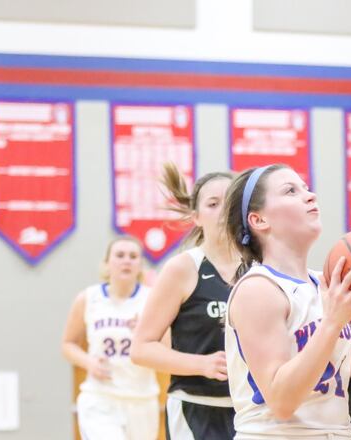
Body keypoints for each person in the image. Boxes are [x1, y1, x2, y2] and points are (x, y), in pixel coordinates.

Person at [222, 164, 351, 439]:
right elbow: (282, 402)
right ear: (259, 220)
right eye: (290, 191)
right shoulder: (258, 289)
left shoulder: (329, 284)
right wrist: (331, 324)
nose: (310, 195)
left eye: (305, 188)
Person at [131, 164, 238, 439]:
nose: (223, 210)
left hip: (252, 412)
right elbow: (141, 349)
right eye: (213, 204)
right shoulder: (182, 269)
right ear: (197, 217)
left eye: (230, 202)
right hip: (197, 409)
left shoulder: (260, 267)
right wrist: (201, 364)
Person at [61, 236, 159, 440]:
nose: (126, 260)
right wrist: (88, 362)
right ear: (107, 263)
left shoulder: (151, 299)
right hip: (100, 397)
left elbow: (168, 348)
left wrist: (145, 332)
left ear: (140, 265)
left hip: (141, 398)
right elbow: (68, 344)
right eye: (120, 255)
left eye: (133, 256)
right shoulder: (88, 298)